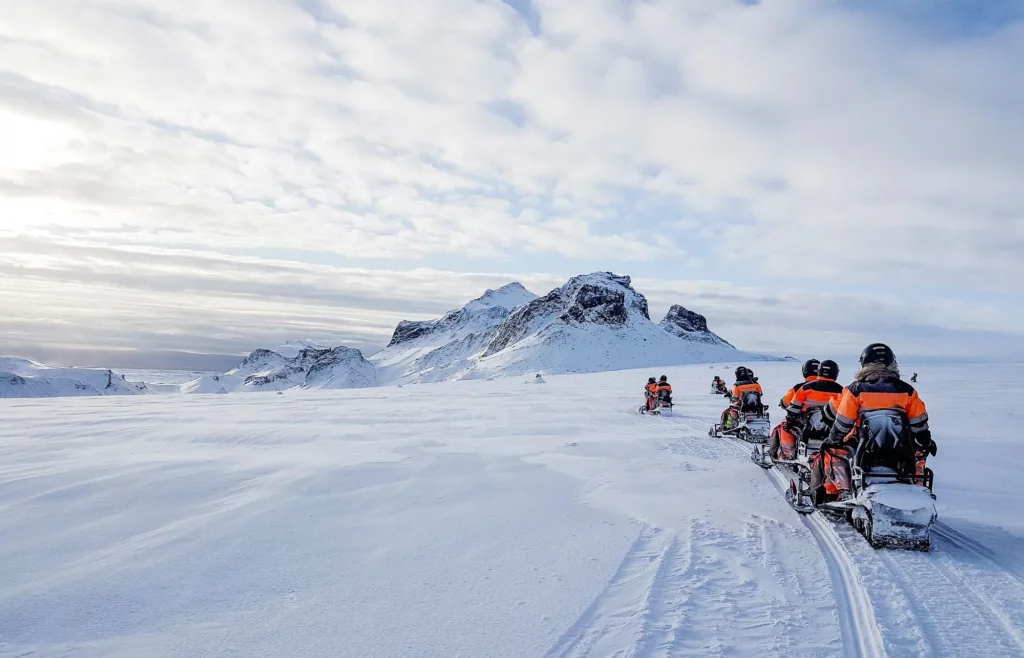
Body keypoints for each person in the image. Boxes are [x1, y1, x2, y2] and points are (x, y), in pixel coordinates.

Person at [814, 344, 936, 503]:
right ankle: (916, 485)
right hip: (900, 450)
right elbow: (919, 425)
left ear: (864, 363)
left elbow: (843, 423)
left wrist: (832, 440)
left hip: (864, 449)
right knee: (920, 450)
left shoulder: (855, 390)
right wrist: (925, 441)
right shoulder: (907, 391)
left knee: (833, 450)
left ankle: (843, 491)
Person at [772, 360, 844, 460]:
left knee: (785, 426)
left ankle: (788, 453)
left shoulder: (804, 388)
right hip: (830, 428)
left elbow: (793, 407)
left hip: (806, 425)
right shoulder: (842, 391)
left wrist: (790, 420)